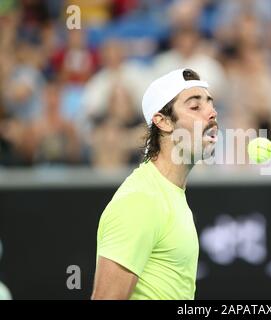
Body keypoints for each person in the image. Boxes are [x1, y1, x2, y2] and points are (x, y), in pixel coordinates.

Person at [92, 68, 218, 300]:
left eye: (210, 104)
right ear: (163, 122)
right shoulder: (140, 200)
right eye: (195, 106)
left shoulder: (170, 194)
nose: (212, 113)